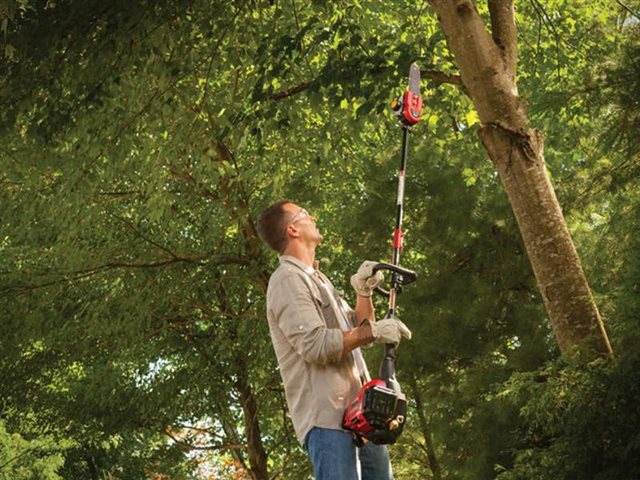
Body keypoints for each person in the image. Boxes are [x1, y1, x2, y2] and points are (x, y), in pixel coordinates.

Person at [256, 200, 412, 480]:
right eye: (306, 214)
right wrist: (374, 332)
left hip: (362, 415)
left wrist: (363, 292)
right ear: (292, 229)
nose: (313, 216)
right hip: (327, 420)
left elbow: (357, 331)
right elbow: (315, 345)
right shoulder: (287, 280)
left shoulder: (318, 279)